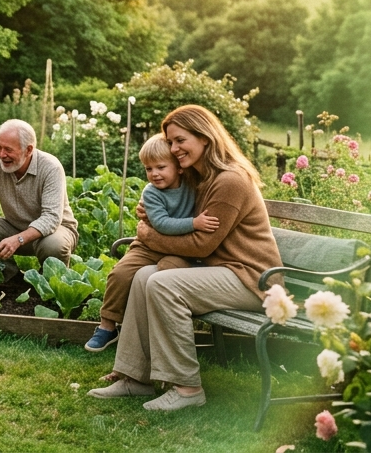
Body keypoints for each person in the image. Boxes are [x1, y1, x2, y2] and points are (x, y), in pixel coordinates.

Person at [87, 105, 281, 411]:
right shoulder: (198, 178)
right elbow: (172, 209)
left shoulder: (231, 180)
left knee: (164, 284)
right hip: (221, 270)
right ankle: (135, 378)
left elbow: (202, 245)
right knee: (142, 276)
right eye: (171, 142)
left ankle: (188, 388)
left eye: (180, 140)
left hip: (251, 278)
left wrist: (148, 234)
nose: (174, 149)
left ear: (204, 137)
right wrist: (150, 210)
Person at [84, 133, 219, 352]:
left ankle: (159, 334)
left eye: (161, 167)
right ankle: (107, 325)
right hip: (148, 245)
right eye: (148, 169)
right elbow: (162, 224)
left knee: (164, 276)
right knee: (120, 273)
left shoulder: (192, 184)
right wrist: (194, 223)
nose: (154, 174)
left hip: (180, 250)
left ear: (180, 168)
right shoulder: (152, 193)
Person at [0, 119, 78, 266]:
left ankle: (48, 285)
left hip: (55, 232)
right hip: (15, 229)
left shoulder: (51, 167)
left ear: (29, 150)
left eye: (8, 149)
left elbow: (51, 218)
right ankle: (9, 278)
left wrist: (19, 239)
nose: (1, 154)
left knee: (53, 245)